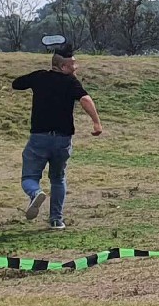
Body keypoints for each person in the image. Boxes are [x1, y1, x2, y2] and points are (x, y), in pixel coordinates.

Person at [11, 49, 102, 230]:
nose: (76, 67)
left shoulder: (39, 77)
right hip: (62, 140)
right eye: (73, 64)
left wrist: (35, 81)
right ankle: (56, 220)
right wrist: (96, 122)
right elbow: (85, 99)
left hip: (39, 138)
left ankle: (35, 192)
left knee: (29, 177)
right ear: (62, 66)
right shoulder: (71, 82)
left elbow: (16, 84)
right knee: (58, 179)